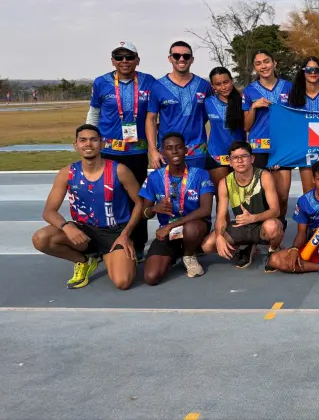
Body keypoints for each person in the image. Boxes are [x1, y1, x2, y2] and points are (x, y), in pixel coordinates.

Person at [31, 125, 142, 290]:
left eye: (93, 140)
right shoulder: (67, 173)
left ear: (102, 144)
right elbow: (49, 211)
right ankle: (83, 261)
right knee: (40, 238)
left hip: (114, 233)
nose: (88, 144)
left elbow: (140, 203)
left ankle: (116, 255)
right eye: (83, 140)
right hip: (84, 232)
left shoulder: (119, 170)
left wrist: (125, 234)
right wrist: (67, 227)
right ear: (76, 145)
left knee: (122, 282)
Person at [86, 41, 155, 260]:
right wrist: (90, 141)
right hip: (109, 153)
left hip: (137, 153)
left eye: (129, 56)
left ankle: (139, 243)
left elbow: (155, 115)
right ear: (112, 60)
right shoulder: (101, 82)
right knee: (108, 199)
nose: (124, 61)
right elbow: (94, 113)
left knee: (139, 199)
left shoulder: (148, 81)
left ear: (137, 59)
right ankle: (103, 244)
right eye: (119, 57)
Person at [139, 132, 214, 284]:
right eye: (169, 148)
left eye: (179, 147)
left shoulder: (201, 174)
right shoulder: (154, 178)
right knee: (151, 277)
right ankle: (175, 252)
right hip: (168, 232)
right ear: (162, 152)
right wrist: (154, 209)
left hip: (194, 228)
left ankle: (188, 254)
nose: (174, 151)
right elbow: (144, 214)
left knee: (191, 229)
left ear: (186, 150)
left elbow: (206, 210)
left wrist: (170, 226)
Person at [267, 161, 319, 290]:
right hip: (314, 244)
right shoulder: (304, 201)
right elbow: (301, 233)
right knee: (274, 260)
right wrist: (294, 249)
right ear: (313, 180)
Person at [200, 141, 283, 270]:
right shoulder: (225, 183)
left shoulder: (264, 176)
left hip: (262, 224)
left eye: (244, 156)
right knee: (207, 246)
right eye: (235, 157)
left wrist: (253, 218)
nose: (239, 160)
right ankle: (243, 251)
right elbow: (221, 216)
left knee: (273, 227)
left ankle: (273, 250)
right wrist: (219, 237)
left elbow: (275, 211)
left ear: (252, 159)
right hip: (241, 225)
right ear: (230, 162)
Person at [243, 50, 293, 226]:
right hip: (258, 148)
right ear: (255, 68)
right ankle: (257, 238)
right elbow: (246, 126)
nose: (263, 66)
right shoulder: (249, 91)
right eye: (258, 63)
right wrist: (254, 107)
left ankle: (277, 236)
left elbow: (297, 117)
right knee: (258, 197)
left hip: (283, 147)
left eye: (266, 61)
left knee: (282, 196)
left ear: (274, 64)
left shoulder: (288, 87)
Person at [146, 41, 212, 170]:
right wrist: (153, 150)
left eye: (186, 56)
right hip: (168, 153)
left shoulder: (204, 85)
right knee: (168, 190)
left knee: (197, 189)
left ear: (192, 60)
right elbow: (151, 119)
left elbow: (206, 115)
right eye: (176, 56)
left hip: (197, 152)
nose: (181, 59)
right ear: (170, 58)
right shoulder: (157, 86)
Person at [287, 57, 319, 193]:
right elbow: (290, 124)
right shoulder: (295, 95)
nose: (313, 72)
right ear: (303, 72)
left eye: (316, 69)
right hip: (305, 149)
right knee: (309, 190)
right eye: (309, 69)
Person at [205, 67, 249, 189]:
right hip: (216, 154)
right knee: (222, 196)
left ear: (231, 80)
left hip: (239, 155)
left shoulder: (243, 100)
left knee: (241, 197)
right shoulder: (207, 102)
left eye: (226, 82)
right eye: (218, 84)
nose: (223, 87)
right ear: (213, 86)